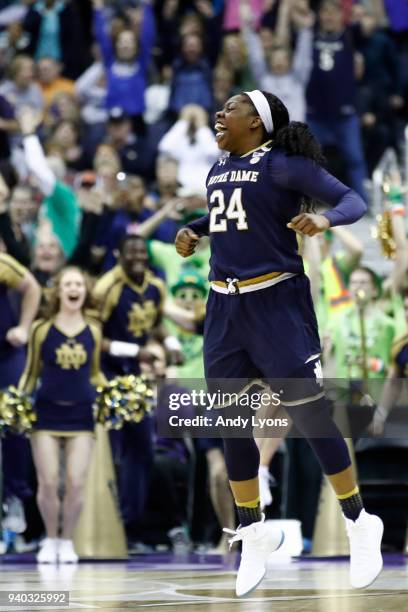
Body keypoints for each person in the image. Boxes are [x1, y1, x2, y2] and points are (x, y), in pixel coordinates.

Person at [175, 89, 383, 596]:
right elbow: (235, 218)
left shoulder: (285, 165)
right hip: (224, 305)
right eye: (221, 108)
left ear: (258, 122)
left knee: (310, 414)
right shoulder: (219, 167)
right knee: (230, 419)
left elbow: (353, 200)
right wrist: (195, 230)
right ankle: (252, 530)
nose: (221, 113)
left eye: (232, 108)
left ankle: (359, 522)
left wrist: (324, 219)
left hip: (276, 303)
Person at [92, 234, 182, 547]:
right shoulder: (107, 288)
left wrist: (171, 344)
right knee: (112, 452)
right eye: (131, 252)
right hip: (106, 375)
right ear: (119, 255)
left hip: (136, 379)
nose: (138, 257)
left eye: (142, 251)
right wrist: (135, 352)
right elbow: (93, 336)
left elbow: (155, 323)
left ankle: (130, 527)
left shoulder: (156, 286)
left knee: (141, 451)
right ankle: (103, 525)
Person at [18, 267, 105, 564]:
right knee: (49, 481)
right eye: (68, 283)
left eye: (78, 284)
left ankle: (67, 540)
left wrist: (115, 394)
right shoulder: (41, 329)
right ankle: (50, 538)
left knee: (76, 482)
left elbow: (94, 373)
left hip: (81, 416)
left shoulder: (93, 329)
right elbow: (30, 373)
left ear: (85, 290)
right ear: (58, 291)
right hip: (45, 415)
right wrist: (16, 405)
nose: (73, 288)